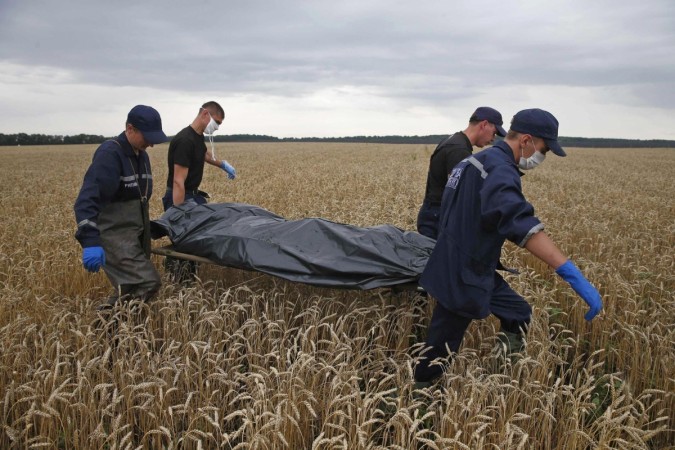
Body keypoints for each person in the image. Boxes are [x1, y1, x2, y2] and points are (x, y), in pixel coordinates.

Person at [413, 108, 603, 384]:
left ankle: (504, 375)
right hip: (463, 272)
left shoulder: (476, 162)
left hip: (467, 264)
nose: (543, 157)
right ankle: (422, 398)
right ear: (526, 140)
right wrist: (570, 272)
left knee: (518, 313)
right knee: (441, 346)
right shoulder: (499, 170)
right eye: (544, 149)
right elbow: (518, 220)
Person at [74, 105, 168, 308]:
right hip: (114, 234)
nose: (151, 144)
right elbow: (87, 199)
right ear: (130, 129)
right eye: (148, 137)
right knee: (148, 282)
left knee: (128, 288)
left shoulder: (140, 154)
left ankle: (114, 334)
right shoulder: (110, 154)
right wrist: (90, 240)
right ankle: (110, 325)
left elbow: (137, 198)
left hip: (135, 234)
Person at [162, 101, 236, 282]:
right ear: (205, 114)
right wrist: (179, 213)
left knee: (194, 239)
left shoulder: (196, 137)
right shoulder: (185, 140)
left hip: (192, 196)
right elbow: (178, 181)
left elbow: (203, 154)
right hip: (180, 196)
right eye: (216, 122)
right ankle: (178, 279)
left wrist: (223, 165)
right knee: (183, 240)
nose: (217, 127)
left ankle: (188, 275)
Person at [417, 107, 507, 239]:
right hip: (438, 217)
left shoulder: (453, 140)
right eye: (494, 133)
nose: (493, 139)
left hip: (433, 213)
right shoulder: (458, 150)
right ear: (484, 125)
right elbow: (459, 194)